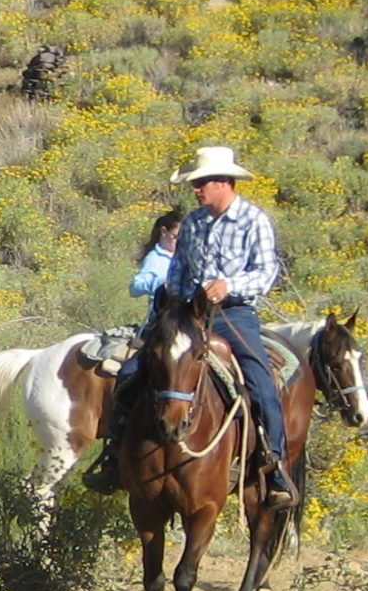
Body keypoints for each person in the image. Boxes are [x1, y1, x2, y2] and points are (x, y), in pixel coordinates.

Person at [84, 147, 297, 503]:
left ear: (223, 182)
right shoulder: (195, 222)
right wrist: (175, 300)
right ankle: (115, 456)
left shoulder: (254, 221)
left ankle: (273, 467)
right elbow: (180, 271)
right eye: (195, 183)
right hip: (187, 314)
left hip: (234, 313)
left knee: (261, 382)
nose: (196, 189)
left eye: (201, 183)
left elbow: (265, 272)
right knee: (131, 372)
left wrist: (229, 285)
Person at [128, 209, 184, 324]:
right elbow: (134, 288)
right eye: (176, 237)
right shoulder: (154, 258)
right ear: (164, 232)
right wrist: (160, 282)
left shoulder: (184, 255)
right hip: (162, 316)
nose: (180, 241)